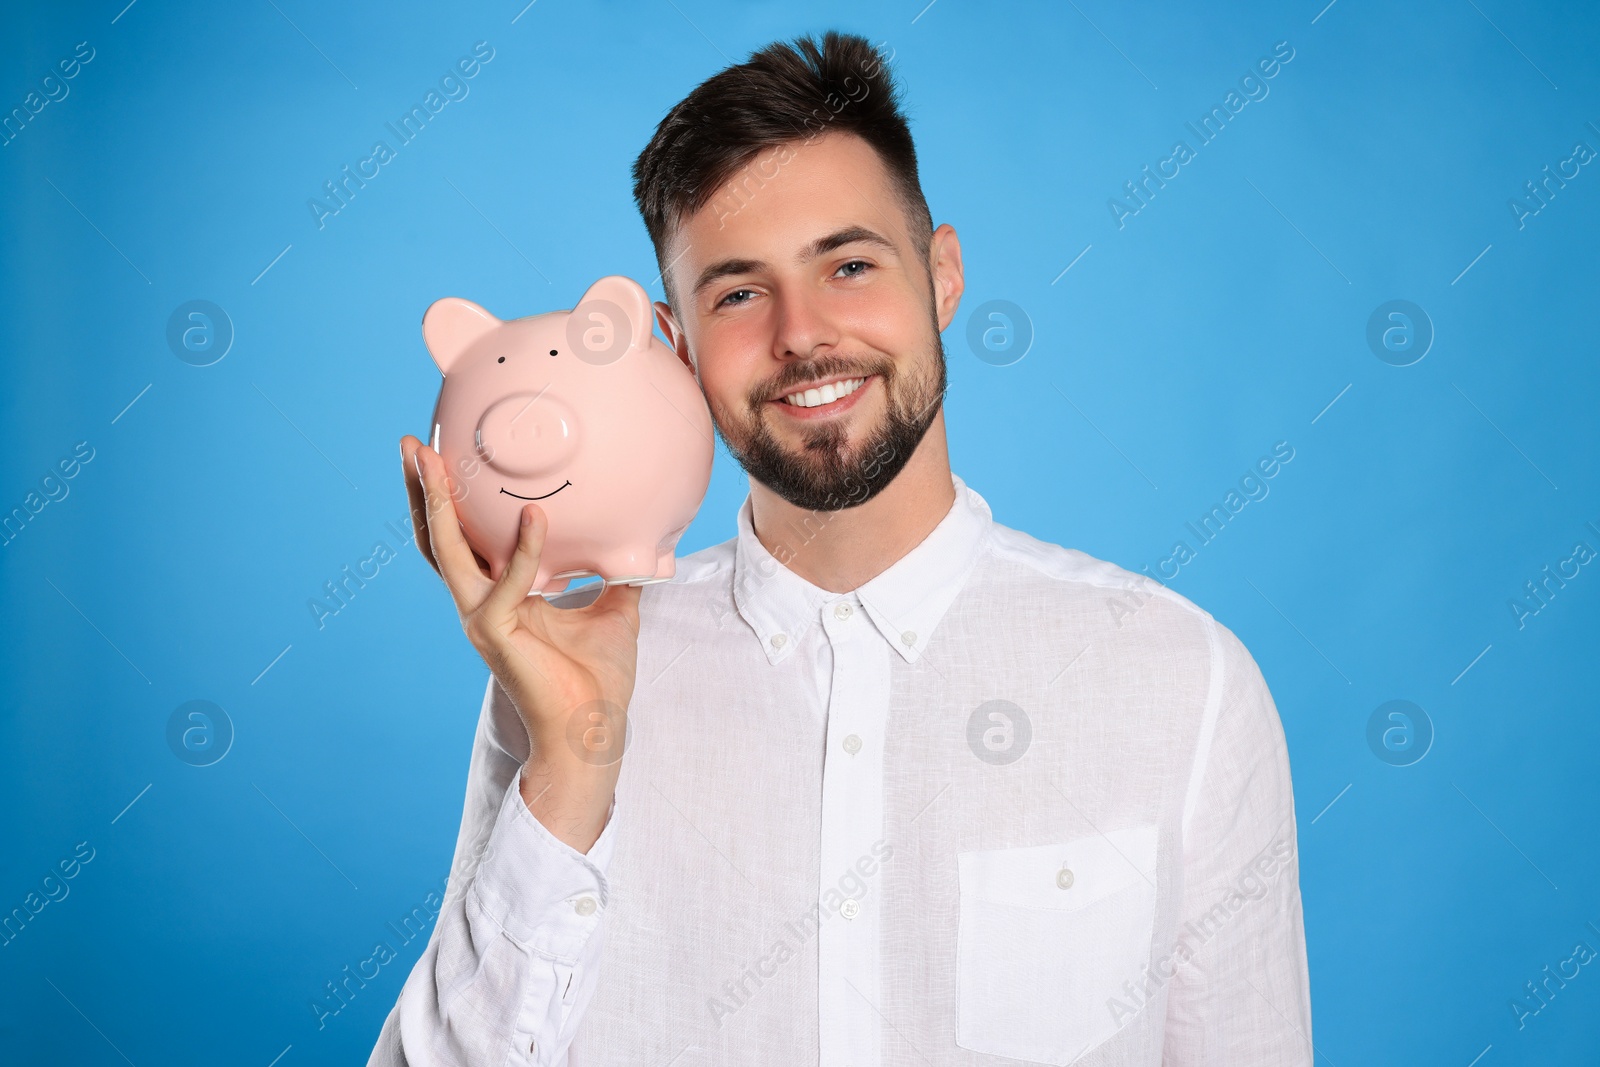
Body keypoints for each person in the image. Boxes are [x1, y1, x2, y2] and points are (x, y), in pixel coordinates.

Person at [372, 29, 1311, 1067]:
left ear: (942, 276)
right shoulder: (564, 681)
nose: (801, 333)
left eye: (849, 264)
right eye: (737, 291)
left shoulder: (1183, 681)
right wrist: (573, 766)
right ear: (674, 347)